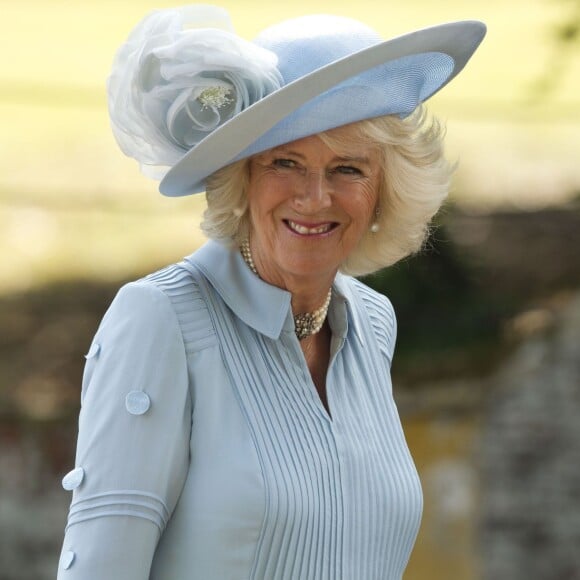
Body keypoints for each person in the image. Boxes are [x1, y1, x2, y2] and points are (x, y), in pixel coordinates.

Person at [57, 5, 485, 579]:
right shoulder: (161, 319)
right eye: (286, 162)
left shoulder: (372, 323)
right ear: (242, 177)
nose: (315, 197)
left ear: (386, 188)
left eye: (348, 169)